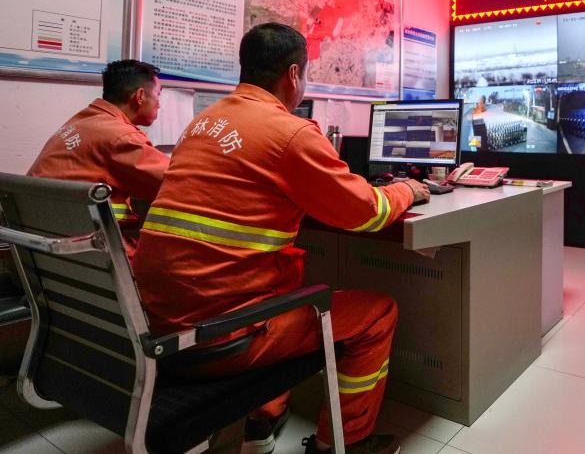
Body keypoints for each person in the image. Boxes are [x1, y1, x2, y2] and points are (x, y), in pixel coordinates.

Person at [132, 23, 428, 454]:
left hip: (157, 324)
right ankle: (345, 444)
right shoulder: (289, 131)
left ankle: (263, 423)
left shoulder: (204, 122)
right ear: (293, 75)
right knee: (376, 312)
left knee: (283, 282)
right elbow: (366, 213)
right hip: (221, 335)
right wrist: (409, 190)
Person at [27, 59, 168, 259]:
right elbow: (177, 185)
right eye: (158, 95)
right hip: (96, 258)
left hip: (49, 257)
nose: (160, 104)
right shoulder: (120, 137)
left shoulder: (82, 122)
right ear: (140, 96)